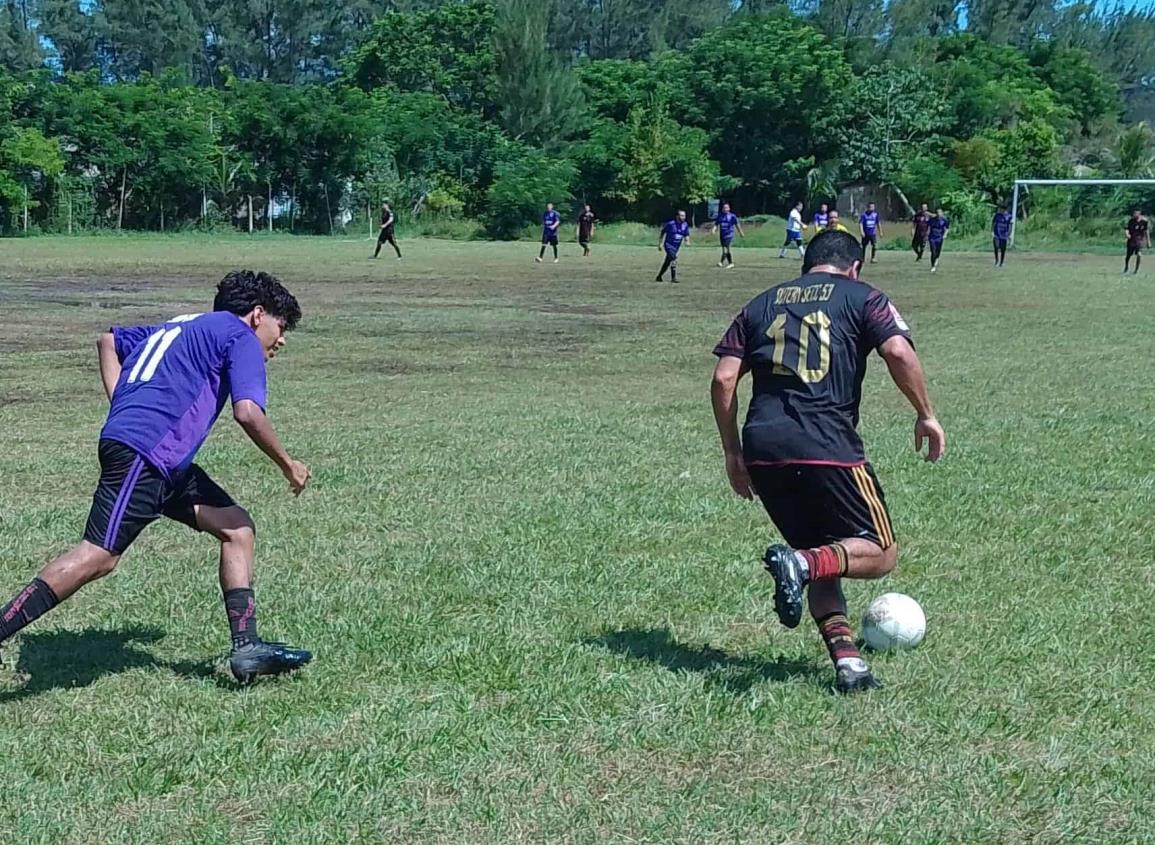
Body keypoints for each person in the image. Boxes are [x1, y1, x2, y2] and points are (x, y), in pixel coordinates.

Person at [0, 271, 313, 685]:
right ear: (258, 315)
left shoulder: (184, 324)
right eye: (281, 326)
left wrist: (122, 404)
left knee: (237, 528)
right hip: (145, 455)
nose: (281, 339)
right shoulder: (239, 336)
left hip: (165, 462)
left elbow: (109, 341)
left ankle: (247, 649)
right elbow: (248, 412)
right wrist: (288, 463)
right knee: (98, 556)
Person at [710, 230, 945, 693]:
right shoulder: (863, 296)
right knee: (878, 553)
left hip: (764, 448)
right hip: (827, 444)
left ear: (806, 264)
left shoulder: (759, 303)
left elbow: (722, 379)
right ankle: (798, 563)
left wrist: (732, 452)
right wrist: (926, 414)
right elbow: (898, 349)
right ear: (854, 267)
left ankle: (849, 664)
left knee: (825, 555)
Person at [656, 210, 691, 283]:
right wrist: (660, 244)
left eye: (684, 216)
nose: (683, 217)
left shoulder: (685, 225)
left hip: (676, 247)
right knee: (674, 258)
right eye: (682, 216)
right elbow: (663, 232)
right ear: (677, 216)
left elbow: (686, 234)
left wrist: (687, 241)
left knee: (667, 262)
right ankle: (673, 278)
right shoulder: (671, 224)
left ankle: (659, 276)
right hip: (668, 245)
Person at [710, 202, 745, 268]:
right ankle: (726, 263)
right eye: (724, 208)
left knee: (727, 249)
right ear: (722, 209)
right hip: (722, 235)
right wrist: (713, 230)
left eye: (727, 208)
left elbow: (737, 224)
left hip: (729, 234)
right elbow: (716, 224)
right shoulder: (720, 216)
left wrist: (740, 232)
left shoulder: (732, 216)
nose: (725, 209)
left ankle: (724, 263)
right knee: (724, 250)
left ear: (729, 208)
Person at [1124, 209, 1150, 275]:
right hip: (1131, 240)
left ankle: (1136, 270)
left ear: (1139, 213)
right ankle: (1126, 266)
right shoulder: (1131, 221)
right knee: (1128, 255)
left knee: (1139, 255)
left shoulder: (1144, 221)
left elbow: (1146, 231)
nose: (1134, 215)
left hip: (1139, 240)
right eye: (1134, 213)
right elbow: (1127, 229)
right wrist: (1127, 234)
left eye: (1136, 213)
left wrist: (1148, 241)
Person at [928, 208, 950, 273]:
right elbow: (928, 227)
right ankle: (933, 266)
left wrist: (945, 234)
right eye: (937, 212)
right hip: (932, 237)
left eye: (940, 212)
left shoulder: (944, 220)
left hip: (940, 237)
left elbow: (947, 228)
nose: (938, 214)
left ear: (942, 213)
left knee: (938, 251)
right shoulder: (932, 219)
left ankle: (937, 258)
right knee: (933, 251)